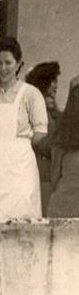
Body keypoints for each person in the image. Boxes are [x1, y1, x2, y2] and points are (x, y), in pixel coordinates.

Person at [0, 37, 49, 220]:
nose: (3, 68)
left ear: (19, 64)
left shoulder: (31, 94)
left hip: (21, 165)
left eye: (8, 63)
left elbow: (40, 134)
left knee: (22, 213)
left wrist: (22, 145)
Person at [26, 62, 62, 214]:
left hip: (50, 171)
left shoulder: (50, 106)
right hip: (41, 172)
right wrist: (57, 146)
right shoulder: (34, 104)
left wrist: (54, 109)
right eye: (52, 81)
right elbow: (38, 140)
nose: (55, 85)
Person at [48, 78, 79, 218]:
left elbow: (55, 178)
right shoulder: (63, 135)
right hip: (64, 212)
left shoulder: (62, 135)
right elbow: (54, 178)